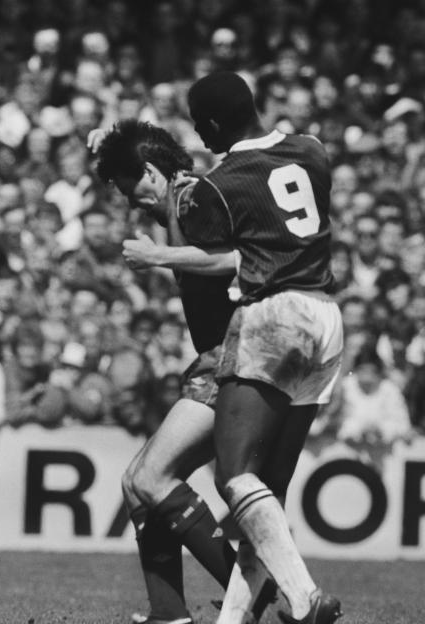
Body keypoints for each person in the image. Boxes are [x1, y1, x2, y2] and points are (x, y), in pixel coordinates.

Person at [89, 119, 273, 624]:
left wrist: (158, 256)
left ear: (150, 173)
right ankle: (168, 614)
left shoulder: (192, 200)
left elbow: (239, 260)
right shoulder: (183, 194)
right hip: (217, 360)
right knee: (136, 483)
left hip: (234, 359)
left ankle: (252, 588)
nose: (130, 202)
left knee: (150, 476)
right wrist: (108, 142)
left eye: (131, 189)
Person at [182, 72, 344, 624]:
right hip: (326, 315)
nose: (203, 140)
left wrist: (161, 253)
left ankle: (304, 599)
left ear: (212, 124)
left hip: (274, 314)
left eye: (202, 129)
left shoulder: (220, 182)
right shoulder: (314, 150)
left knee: (235, 474)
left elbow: (204, 237)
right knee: (264, 495)